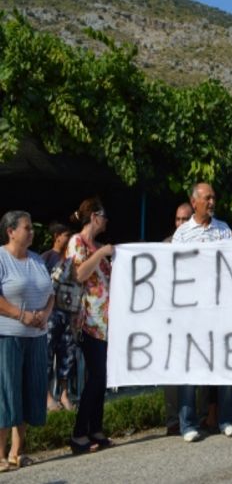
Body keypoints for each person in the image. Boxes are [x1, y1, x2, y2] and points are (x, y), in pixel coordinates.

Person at [172, 183, 232, 442]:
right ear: (194, 202)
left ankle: (227, 419)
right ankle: (188, 424)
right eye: (207, 198)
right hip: (192, 312)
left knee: (223, 363)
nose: (212, 201)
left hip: (219, 310)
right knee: (190, 366)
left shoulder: (223, 230)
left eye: (214, 196)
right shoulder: (182, 234)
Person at [0, 211, 54, 470]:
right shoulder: (1, 258)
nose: (32, 232)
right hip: (8, 336)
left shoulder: (36, 259)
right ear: (11, 231)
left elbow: (50, 294)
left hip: (37, 336)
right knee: (6, 394)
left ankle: (16, 451)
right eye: (27, 228)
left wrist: (44, 314)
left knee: (29, 392)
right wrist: (21, 315)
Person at [66, 198, 115, 454]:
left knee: (102, 377)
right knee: (95, 377)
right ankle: (78, 434)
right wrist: (100, 253)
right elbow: (79, 274)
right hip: (88, 321)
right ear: (95, 216)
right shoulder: (78, 242)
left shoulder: (97, 247)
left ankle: (96, 428)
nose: (107, 221)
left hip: (105, 322)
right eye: (104, 216)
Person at [163, 202, 193, 436]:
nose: (181, 224)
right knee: (172, 371)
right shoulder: (164, 246)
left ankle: (197, 416)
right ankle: (173, 419)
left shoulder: (201, 244)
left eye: (185, 219)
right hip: (172, 318)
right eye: (177, 219)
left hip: (195, 316)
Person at [41, 222, 77, 412]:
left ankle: (64, 394)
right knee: (47, 355)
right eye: (65, 235)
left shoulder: (71, 258)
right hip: (51, 313)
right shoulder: (46, 258)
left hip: (68, 313)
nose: (68, 238)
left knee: (67, 354)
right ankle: (47, 396)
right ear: (57, 236)